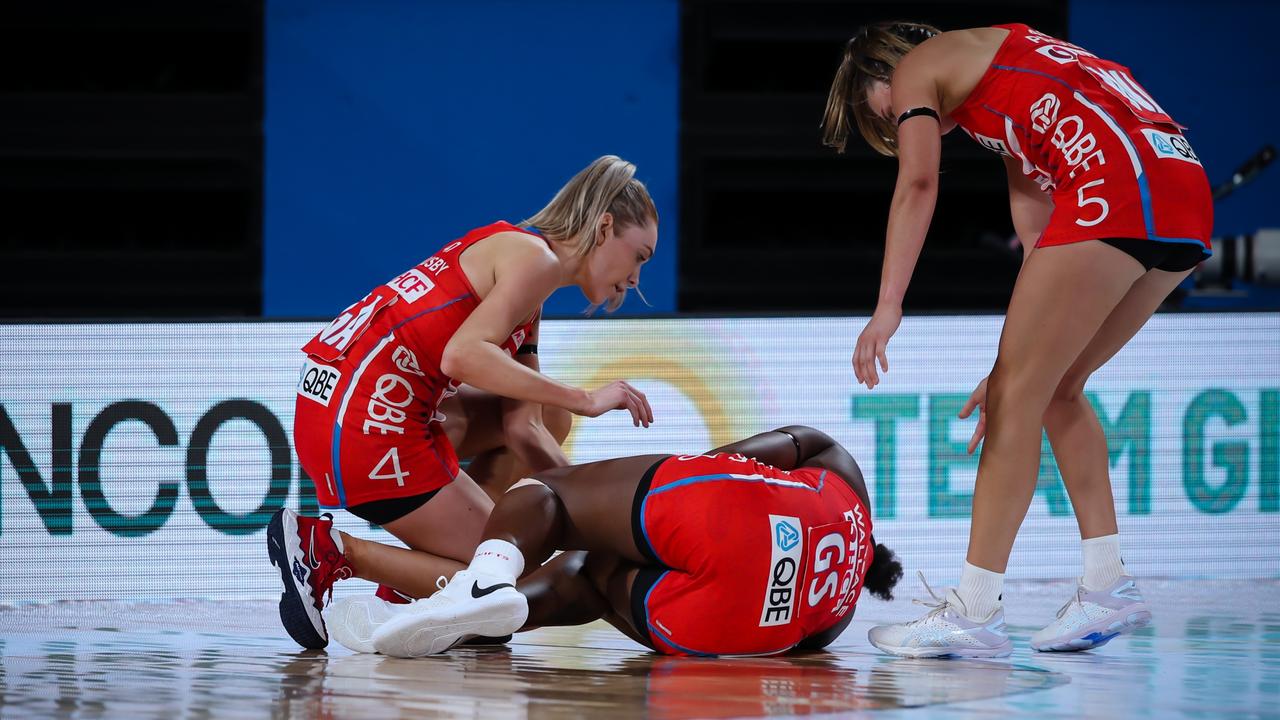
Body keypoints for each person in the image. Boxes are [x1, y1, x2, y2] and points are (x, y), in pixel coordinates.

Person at [821, 22, 1210, 656]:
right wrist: (1015, 364)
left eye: (885, 116)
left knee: (1017, 403)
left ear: (885, 75)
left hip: (1112, 185)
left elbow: (919, 183)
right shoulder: (1004, 77)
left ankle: (973, 612)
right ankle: (1108, 585)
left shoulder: (921, 63)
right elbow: (1037, 235)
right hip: (1180, 193)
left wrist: (888, 305)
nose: (895, 130)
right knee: (1055, 390)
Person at [267, 155, 660, 649]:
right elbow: (462, 356)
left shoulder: (522, 254)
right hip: (363, 424)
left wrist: (597, 521)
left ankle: (414, 575)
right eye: (640, 256)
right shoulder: (535, 263)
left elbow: (526, 429)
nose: (637, 279)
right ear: (604, 227)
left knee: (545, 421)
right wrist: (585, 399)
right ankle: (327, 549)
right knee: (501, 591)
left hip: (340, 405)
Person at [327, 425, 903, 658]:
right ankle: (500, 614)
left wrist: (668, 483)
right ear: (866, 575)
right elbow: (790, 650)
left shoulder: (847, 481)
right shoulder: (837, 620)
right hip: (734, 620)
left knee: (549, 493)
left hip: (729, 515)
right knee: (598, 578)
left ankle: (485, 578)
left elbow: (752, 455)